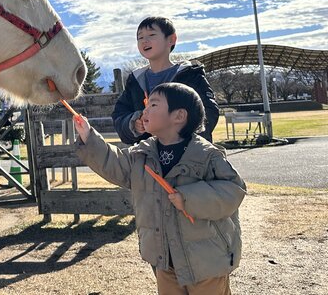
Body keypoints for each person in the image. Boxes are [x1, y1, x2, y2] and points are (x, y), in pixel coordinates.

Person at [74, 82, 246, 294]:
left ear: (178, 116)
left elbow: (233, 190)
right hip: (165, 258)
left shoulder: (206, 155)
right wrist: (88, 137)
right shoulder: (142, 154)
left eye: (153, 105)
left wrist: (188, 199)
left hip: (205, 259)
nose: (144, 111)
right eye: (146, 105)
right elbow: (114, 163)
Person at [112, 17, 220, 145]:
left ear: (171, 39)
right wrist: (133, 124)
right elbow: (119, 114)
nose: (144, 41)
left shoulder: (190, 75)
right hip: (148, 158)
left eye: (151, 35)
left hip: (188, 157)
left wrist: (179, 139)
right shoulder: (135, 80)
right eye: (140, 37)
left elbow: (209, 111)